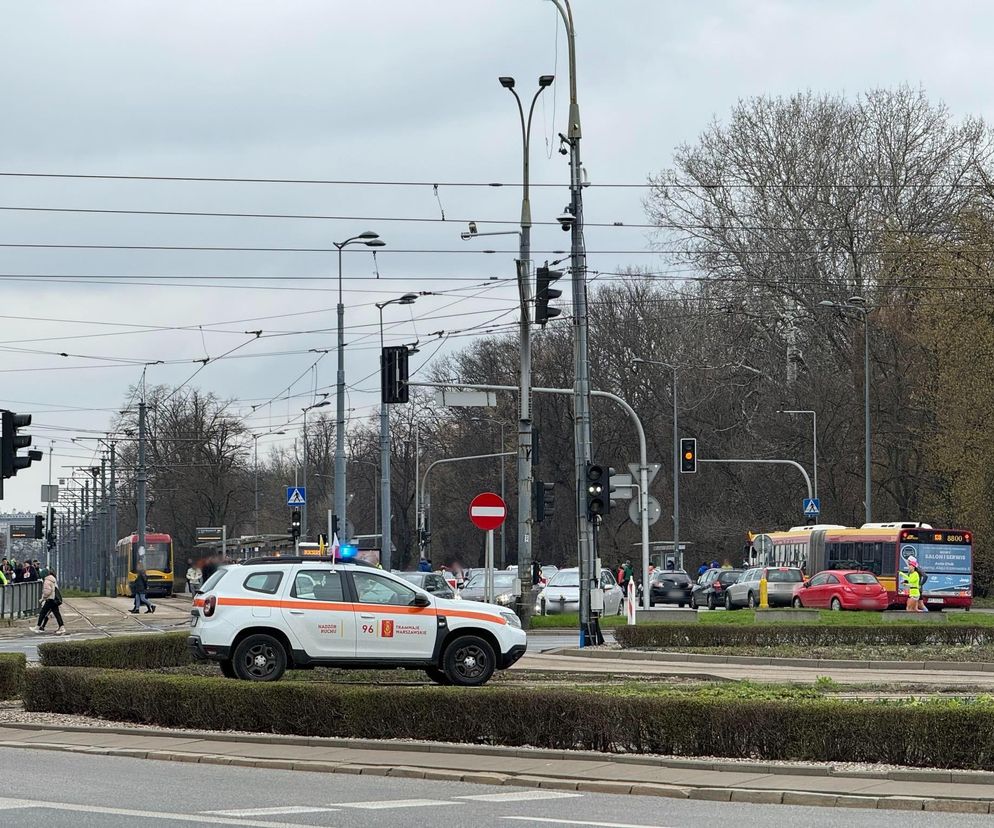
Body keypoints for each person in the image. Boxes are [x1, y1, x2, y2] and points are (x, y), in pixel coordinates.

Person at [31, 567, 65, 635]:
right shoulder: (52, 579)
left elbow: (47, 591)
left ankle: (38, 627)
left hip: (50, 599)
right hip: (54, 599)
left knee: (42, 613)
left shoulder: (47, 581)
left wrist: (43, 598)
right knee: (56, 613)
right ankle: (61, 627)